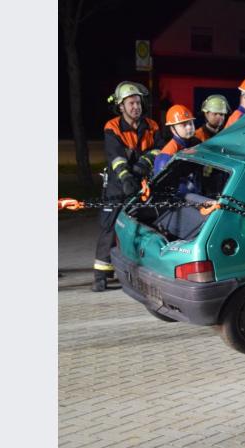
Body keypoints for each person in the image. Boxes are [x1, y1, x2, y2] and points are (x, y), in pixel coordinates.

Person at [93, 81, 165, 292]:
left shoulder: (152, 126)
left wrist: (144, 164)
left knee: (140, 224)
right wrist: (126, 178)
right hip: (118, 184)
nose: (136, 107)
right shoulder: (112, 127)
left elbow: (159, 148)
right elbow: (115, 157)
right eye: (131, 103)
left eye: (138, 103)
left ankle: (135, 269)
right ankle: (100, 275)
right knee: (110, 225)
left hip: (142, 182)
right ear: (121, 107)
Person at [153, 105, 201, 175]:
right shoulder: (165, 157)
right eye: (183, 125)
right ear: (173, 129)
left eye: (190, 123)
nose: (189, 127)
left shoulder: (197, 143)